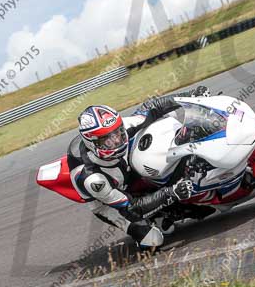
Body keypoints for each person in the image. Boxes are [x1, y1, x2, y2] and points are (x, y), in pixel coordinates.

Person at [68, 87, 209, 248]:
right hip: (110, 202)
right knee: (154, 241)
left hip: (124, 168)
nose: (117, 141)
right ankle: (155, 221)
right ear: (92, 143)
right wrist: (171, 193)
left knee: (164, 121)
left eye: (118, 133)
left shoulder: (122, 129)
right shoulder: (94, 179)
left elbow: (152, 107)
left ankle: (164, 206)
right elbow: (131, 208)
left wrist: (190, 96)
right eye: (108, 140)